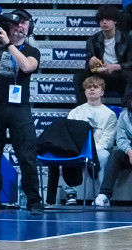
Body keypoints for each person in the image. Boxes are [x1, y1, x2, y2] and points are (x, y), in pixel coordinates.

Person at [0, 7, 43, 215]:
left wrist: (10, 46)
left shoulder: (32, 51)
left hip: (19, 108)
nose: (19, 26)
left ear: (29, 27)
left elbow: (27, 67)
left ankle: (34, 201)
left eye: (23, 23)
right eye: (16, 23)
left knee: (27, 156)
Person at [48, 76, 117, 205]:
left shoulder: (110, 115)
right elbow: (68, 137)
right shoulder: (75, 112)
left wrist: (91, 151)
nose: (92, 89)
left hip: (99, 149)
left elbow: (107, 139)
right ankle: (71, 193)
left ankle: (101, 196)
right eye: (89, 87)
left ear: (102, 92)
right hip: (77, 149)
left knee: (103, 156)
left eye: (95, 87)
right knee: (65, 154)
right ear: (84, 92)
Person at [78, 5, 132, 105]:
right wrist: (91, 64)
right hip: (101, 74)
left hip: (120, 74)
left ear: (115, 21)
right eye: (101, 19)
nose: (104, 22)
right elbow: (88, 65)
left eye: (108, 19)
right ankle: (83, 108)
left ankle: (128, 109)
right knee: (79, 77)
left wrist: (117, 66)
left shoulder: (127, 39)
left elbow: (130, 62)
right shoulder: (92, 40)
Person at [95, 94, 132, 207]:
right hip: (129, 152)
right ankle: (104, 195)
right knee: (115, 154)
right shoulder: (124, 116)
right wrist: (130, 152)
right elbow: (121, 140)